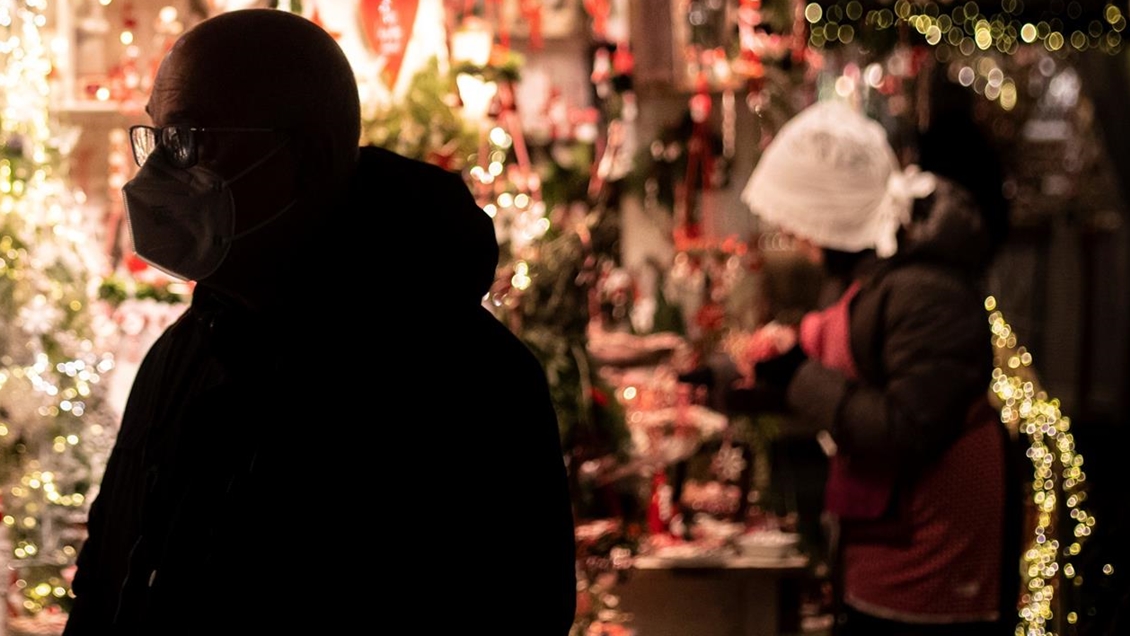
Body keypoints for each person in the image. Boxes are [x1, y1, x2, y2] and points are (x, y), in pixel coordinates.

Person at [64, 9, 576, 635]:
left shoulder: (467, 385)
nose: (154, 176)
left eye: (188, 139)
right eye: (156, 140)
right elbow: (106, 579)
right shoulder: (183, 355)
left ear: (303, 159)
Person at [736, 99, 1014, 636]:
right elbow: (830, 351)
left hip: (932, 561)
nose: (800, 240)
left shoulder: (924, 290)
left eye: (804, 223)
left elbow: (905, 427)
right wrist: (748, 377)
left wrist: (795, 373)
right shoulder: (883, 280)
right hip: (892, 538)